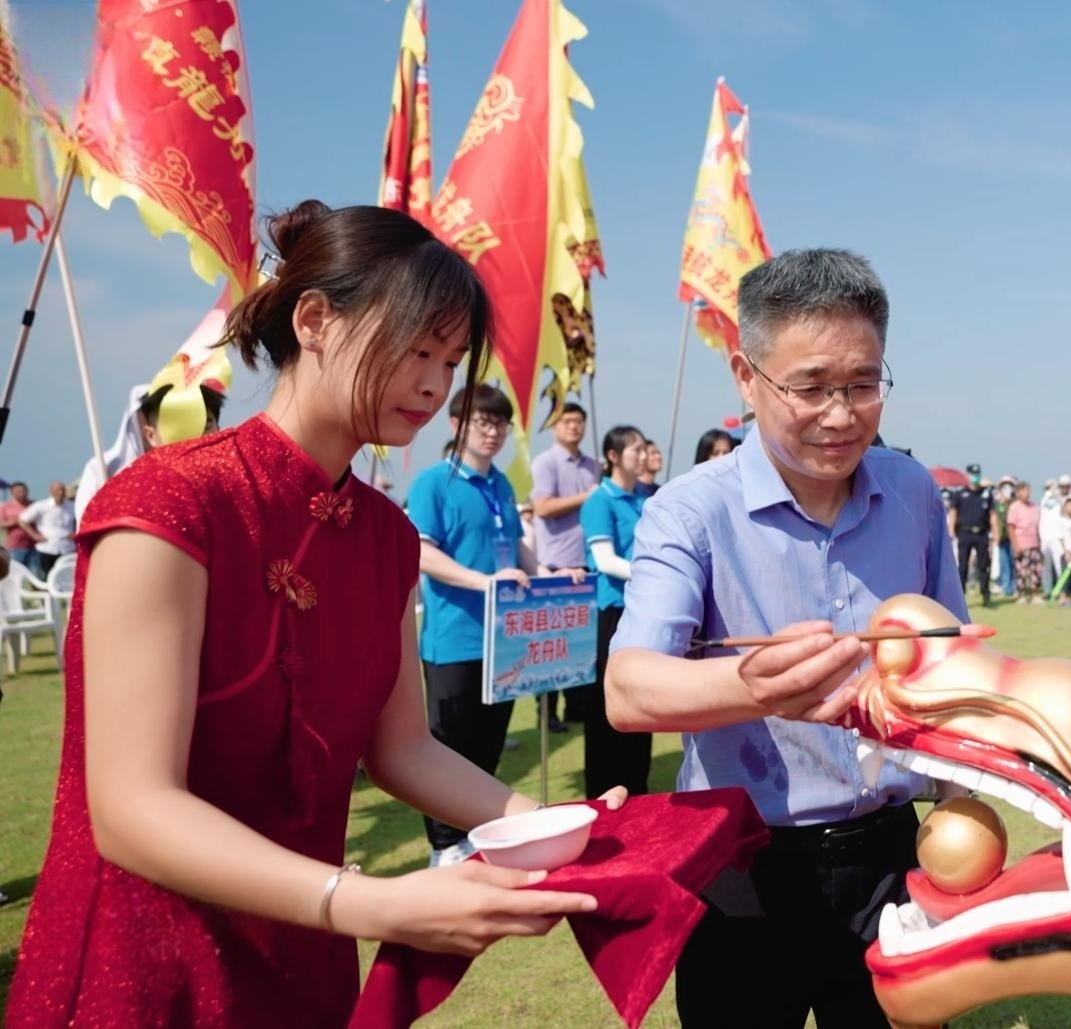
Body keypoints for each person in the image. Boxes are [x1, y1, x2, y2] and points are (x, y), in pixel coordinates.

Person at [8, 201, 623, 1029]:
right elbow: (131, 809)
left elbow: (402, 748)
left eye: (449, 359)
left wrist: (551, 824)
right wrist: (371, 902)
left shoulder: (386, 538)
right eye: (416, 348)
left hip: (304, 950)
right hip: (150, 959)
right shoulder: (170, 501)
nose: (435, 384)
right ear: (315, 321)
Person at [603, 248, 966, 1027]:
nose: (841, 414)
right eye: (811, 387)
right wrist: (751, 688)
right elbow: (629, 689)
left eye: (863, 384)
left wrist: (963, 813)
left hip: (889, 859)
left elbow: (951, 663)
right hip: (743, 868)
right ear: (747, 376)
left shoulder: (912, 492)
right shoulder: (689, 511)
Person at [408, 382, 589, 866]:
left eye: (501, 424)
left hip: (506, 640)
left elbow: (518, 546)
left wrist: (548, 575)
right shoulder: (433, 483)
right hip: (454, 639)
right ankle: (444, 845)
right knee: (447, 747)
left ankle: (477, 835)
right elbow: (422, 552)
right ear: (456, 425)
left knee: (487, 746)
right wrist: (485, 582)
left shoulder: (502, 485)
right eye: (483, 422)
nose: (493, 432)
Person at [577, 424, 652, 799]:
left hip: (642, 609)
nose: (643, 455)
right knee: (607, 708)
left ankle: (638, 789)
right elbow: (605, 559)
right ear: (613, 456)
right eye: (635, 449)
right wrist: (657, 574)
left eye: (644, 448)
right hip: (610, 613)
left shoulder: (644, 498)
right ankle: (604, 793)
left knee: (644, 701)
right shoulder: (600, 501)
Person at [530, 401, 601, 731]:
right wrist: (587, 496)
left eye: (578, 421)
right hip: (555, 565)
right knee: (550, 646)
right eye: (567, 421)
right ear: (554, 427)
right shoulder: (546, 462)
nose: (574, 426)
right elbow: (542, 507)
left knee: (579, 643)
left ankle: (577, 708)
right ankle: (547, 713)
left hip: (585, 564)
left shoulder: (593, 465)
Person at [75, 382, 228, 527]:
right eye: (178, 425)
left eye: (206, 425)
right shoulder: (103, 470)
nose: (195, 434)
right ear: (150, 434)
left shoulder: (227, 480)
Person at [950, 463, 995, 608]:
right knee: (963, 567)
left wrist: (995, 534)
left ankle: (986, 597)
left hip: (982, 533)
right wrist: (951, 531)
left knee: (984, 566)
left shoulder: (986, 494)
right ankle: (959, 600)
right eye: (973, 474)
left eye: (977, 474)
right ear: (968, 475)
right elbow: (953, 512)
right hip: (965, 533)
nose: (975, 477)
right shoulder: (960, 494)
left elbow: (992, 515)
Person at [20, 480, 76, 577]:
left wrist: (76, 532)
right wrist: (34, 535)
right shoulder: (42, 505)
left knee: (66, 577)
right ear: (51, 492)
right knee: (46, 576)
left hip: (67, 547)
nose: (60, 493)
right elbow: (22, 520)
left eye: (62, 490)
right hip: (47, 547)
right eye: (57, 490)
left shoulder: (71, 506)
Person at [1005, 481, 1044, 603]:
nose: (1027, 493)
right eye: (1024, 491)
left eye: (1028, 491)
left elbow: (1038, 526)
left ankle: (1034, 594)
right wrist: (1016, 545)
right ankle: (1021, 595)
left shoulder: (1034, 507)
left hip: (1034, 544)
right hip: (1021, 544)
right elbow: (1010, 527)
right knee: (1021, 571)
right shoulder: (1014, 507)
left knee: (1036, 571)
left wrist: (1040, 543)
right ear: (1018, 493)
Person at [3, 481, 36, 570]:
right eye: (18, 492)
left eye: (23, 491)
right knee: (14, 573)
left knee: (35, 574)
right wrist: (17, 521)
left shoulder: (34, 506)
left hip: (33, 548)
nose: (22, 494)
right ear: (12, 493)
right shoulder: (6, 507)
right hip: (14, 548)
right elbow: (2, 524)